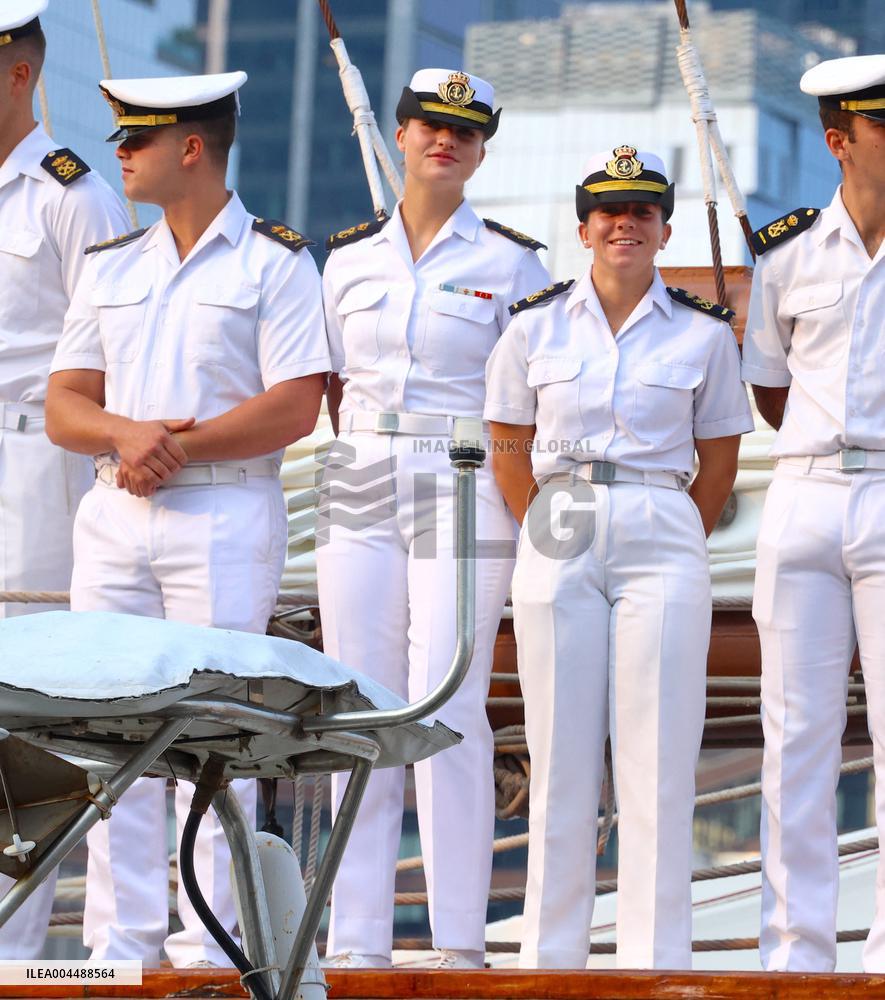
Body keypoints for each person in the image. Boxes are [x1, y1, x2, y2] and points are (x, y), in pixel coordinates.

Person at [45, 71, 328, 966]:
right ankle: (116, 943)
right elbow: (64, 404)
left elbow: (294, 405)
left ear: (191, 149)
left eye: (135, 140)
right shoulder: (110, 266)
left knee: (212, 730)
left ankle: (210, 945)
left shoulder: (276, 263)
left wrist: (173, 448)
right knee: (107, 730)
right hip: (114, 514)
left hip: (221, 514)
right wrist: (127, 433)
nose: (118, 153)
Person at [484, 147, 753, 969]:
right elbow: (507, 442)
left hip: (659, 513)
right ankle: (550, 959)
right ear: (582, 229)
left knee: (659, 751)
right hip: (559, 507)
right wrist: (546, 527)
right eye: (609, 212)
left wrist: (667, 523)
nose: (624, 224)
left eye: (641, 212)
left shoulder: (703, 334)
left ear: (664, 228)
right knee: (559, 748)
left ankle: (653, 961)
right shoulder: (531, 324)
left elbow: (718, 454)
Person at [318, 68, 550, 970]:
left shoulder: (513, 263)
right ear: (400, 136)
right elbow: (334, 385)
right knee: (357, 704)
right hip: (358, 473)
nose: (443, 142)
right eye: (428, 126)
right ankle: (353, 942)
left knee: (448, 701)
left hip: (462, 474)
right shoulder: (345, 259)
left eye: (464, 131)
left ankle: (459, 944)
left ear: (481, 149)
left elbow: (528, 400)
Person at [741, 55, 885, 972]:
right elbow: (767, 388)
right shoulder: (784, 252)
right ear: (839, 141)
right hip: (802, 492)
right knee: (792, 735)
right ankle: (795, 954)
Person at [0, 0, 130, 959]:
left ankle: (15, 944)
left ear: (15, 72)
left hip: (33, 468)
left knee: (25, 710)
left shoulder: (70, 195)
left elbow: (115, 352)